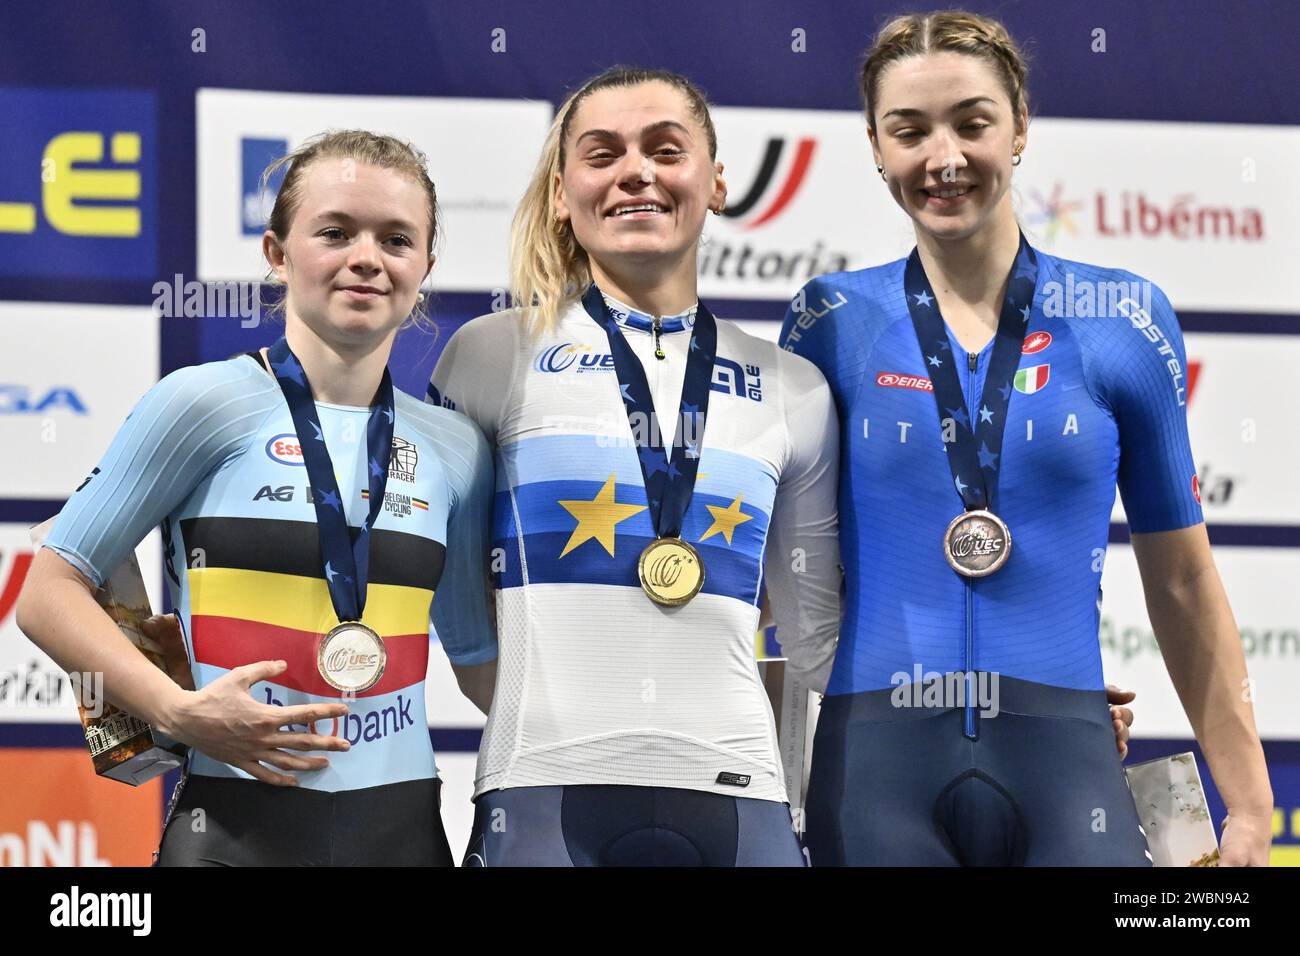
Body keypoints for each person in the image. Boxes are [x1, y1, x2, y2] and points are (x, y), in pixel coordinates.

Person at [780, 10, 1273, 866]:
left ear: (1020, 129)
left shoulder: (1122, 319)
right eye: (910, 131)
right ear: (873, 145)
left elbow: (1184, 580)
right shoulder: (830, 322)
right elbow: (778, 574)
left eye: (972, 123)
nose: (944, 158)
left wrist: (1254, 805)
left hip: (1065, 759)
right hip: (875, 770)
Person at [16, 130, 495, 866]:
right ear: (277, 253)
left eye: (396, 239)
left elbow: (477, 659)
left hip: (402, 834)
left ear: (425, 266)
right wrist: (177, 711)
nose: (366, 257)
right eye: (335, 232)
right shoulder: (203, 404)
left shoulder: (456, 448)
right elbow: (47, 596)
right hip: (230, 830)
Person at [426, 67, 842, 866]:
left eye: (665, 149)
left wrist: (990, 693)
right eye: (603, 152)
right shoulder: (487, 355)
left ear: (716, 182)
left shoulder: (793, 387)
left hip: (740, 796)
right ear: (560, 192)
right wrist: (523, 704)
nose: (636, 172)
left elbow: (819, 638)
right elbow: (449, 592)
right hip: (540, 788)